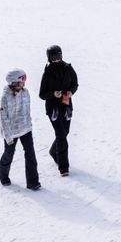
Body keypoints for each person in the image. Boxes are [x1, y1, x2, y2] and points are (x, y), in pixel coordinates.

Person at [0, 69, 41, 190]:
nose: (24, 83)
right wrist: (8, 136)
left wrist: (29, 125)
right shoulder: (5, 97)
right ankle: (2, 174)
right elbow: (3, 118)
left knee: (30, 154)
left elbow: (27, 110)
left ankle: (33, 182)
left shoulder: (25, 92)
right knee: (9, 154)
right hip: (11, 131)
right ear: (14, 82)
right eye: (22, 80)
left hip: (25, 128)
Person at [39, 45, 78, 176]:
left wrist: (71, 92)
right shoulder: (48, 72)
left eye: (58, 57)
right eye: (53, 58)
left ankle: (52, 151)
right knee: (61, 135)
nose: (56, 60)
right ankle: (63, 167)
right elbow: (42, 94)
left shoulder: (68, 68)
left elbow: (75, 83)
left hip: (66, 106)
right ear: (49, 59)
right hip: (53, 109)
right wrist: (53, 94)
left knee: (65, 132)